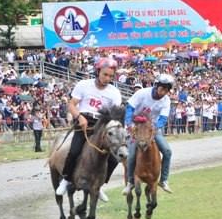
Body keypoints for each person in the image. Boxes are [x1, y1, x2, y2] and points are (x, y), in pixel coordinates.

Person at [55, 59, 122, 201]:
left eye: (111, 76)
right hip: (83, 120)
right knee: (74, 151)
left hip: (102, 124)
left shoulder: (114, 92)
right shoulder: (83, 85)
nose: (108, 79)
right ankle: (66, 179)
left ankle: (99, 185)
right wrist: (79, 117)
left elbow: (114, 115)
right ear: (98, 72)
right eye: (105, 75)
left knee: (114, 159)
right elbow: (72, 105)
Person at [122, 73, 175, 195]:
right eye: (162, 89)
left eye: (166, 91)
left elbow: (162, 118)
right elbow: (129, 108)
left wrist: (155, 128)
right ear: (156, 86)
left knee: (167, 151)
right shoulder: (142, 93)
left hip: (151, 128)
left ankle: (163, 180)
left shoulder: (166, 101)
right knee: (131, 154)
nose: (163, 93)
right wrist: (129, 123)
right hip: (135, 126)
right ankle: (130, 182)